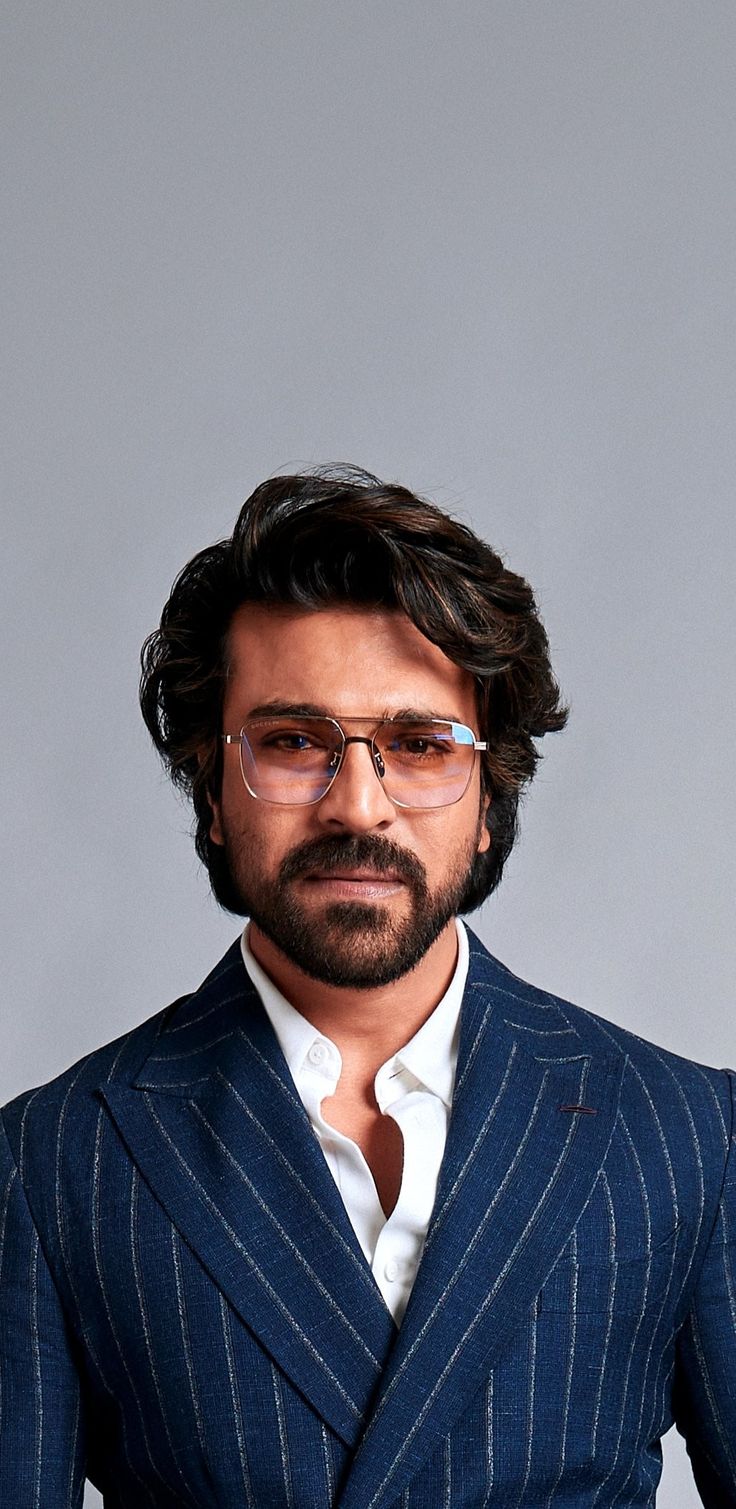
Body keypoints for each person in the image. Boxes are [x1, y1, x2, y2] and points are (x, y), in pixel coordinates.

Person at [1, 467, 734, 1508]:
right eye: (295, 743)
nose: (359, 805)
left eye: (417, 745)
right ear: (212, 789)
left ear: (489, 797)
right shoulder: (55, 1165)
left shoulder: (685, 1138)